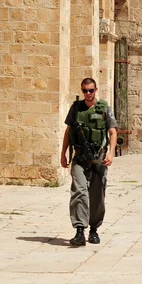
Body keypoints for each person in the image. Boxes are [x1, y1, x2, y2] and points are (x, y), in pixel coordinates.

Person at [60, 78, 118, 247]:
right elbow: (68, 131)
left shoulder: (104, 108)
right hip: (79, 158)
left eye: (91, 90)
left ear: (96, 90)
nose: (88, 94)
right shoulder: (76, 108)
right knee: (79, 191)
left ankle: (94, 229)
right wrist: (63, 154)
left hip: (98, 157)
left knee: (97, 194)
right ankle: (79, 230)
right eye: (85, 90)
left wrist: (111, 153)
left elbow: (113, 132)